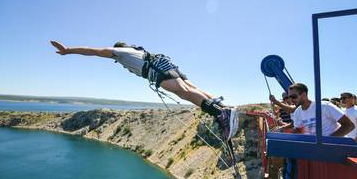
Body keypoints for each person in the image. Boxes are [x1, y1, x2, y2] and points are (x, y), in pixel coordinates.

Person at [50, 40, 238, 140]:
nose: (117, 62)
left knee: (184, 92)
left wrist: (68, 50)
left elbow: (93, 51)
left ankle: (221, 114)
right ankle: (224, 106)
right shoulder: (138, 51)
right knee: (191, 87)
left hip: (157, 71)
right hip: (164, 64)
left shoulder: (121, 52)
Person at [288, 83, 354, 136]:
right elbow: (299, 130)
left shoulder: (324, 106)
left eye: (293, 97)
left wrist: (329, 141)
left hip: (332, 148)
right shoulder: (297, 112)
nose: (291, 100)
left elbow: (349, 125)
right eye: (289, 97)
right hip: (314, 148)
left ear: (304, 95)